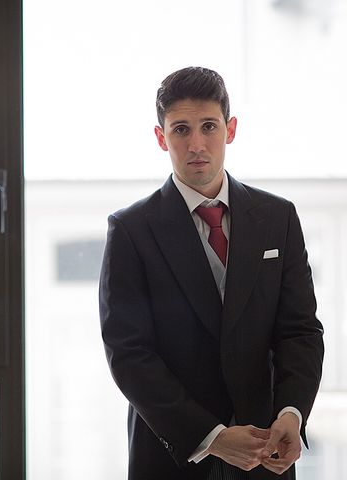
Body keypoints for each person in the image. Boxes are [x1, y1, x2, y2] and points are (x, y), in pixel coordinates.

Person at [99, 66, 324, 479]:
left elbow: (300, 330)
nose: (196, 144)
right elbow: (129, 355)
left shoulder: (278, 218)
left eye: (209, 126)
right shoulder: (131, 230)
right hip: (173, 456)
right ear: (161, 137)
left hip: (267, 453)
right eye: (181, 129)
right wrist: (213, 437)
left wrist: (292, 413)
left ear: (230, 129)